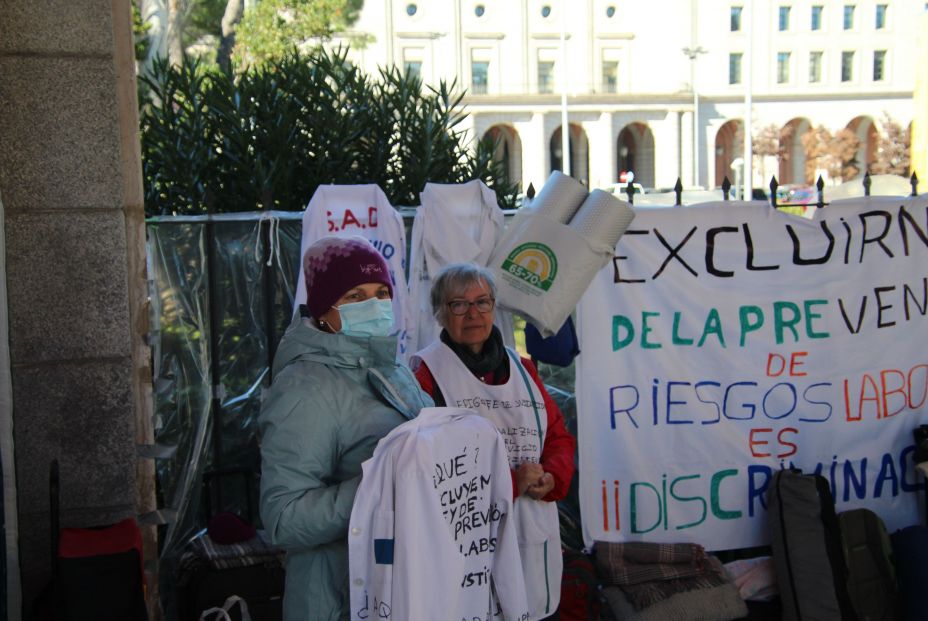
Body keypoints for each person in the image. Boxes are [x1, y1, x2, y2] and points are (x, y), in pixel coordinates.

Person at [259, 236, 433, 621]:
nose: (373, 305)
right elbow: (283, 519)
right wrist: (379, 485)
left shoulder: (392, 366)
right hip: (337, 601)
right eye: (354, 296)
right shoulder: (304, 388)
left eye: (381, 292)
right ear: (324, 309)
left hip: (400, 587)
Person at [411, 262, 577, 621]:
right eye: (459, 304)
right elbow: (426, 469)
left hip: (531, 537)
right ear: (440, 313)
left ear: (493, 308)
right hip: (466, 543)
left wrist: (551, 476)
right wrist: (508, 483)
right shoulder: (425, 374)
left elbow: (558, 437)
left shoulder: (523, 369)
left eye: (482, 302)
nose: (473, 314)